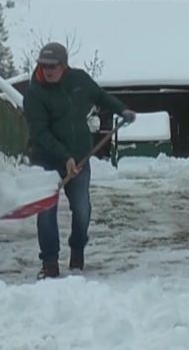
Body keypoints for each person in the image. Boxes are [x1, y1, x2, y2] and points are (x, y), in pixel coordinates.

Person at [23, 41, 136, 279]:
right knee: (46, 212)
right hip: (46, 160)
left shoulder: (80, 80)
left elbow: (101, 97)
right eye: (43, 66)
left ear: (64, 65)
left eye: (53, 66)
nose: (48, 70)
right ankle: (50, 262)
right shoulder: (34, 93)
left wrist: (121, 110)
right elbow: (40, 133)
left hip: (80, 156)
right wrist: (65, 158)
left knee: (82, 209)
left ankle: (77, 250)